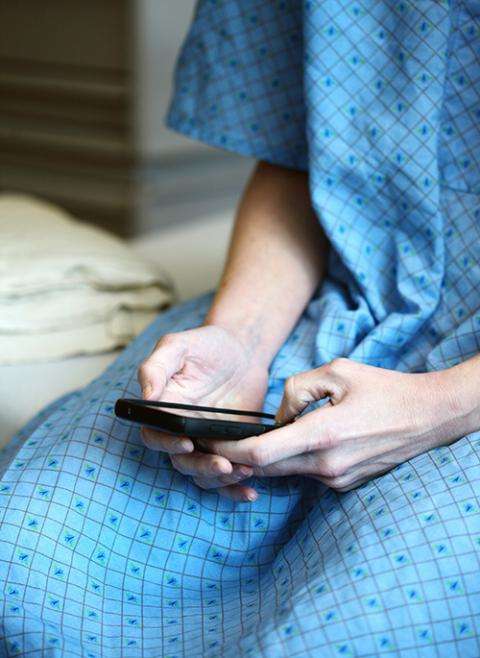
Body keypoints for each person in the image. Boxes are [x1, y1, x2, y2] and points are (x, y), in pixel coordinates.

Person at [1, 1, 479, 656]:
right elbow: (300, 155)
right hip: (333, 295)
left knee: (347, 632)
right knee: (24, 559)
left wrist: (445, 405)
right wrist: (242, 340)